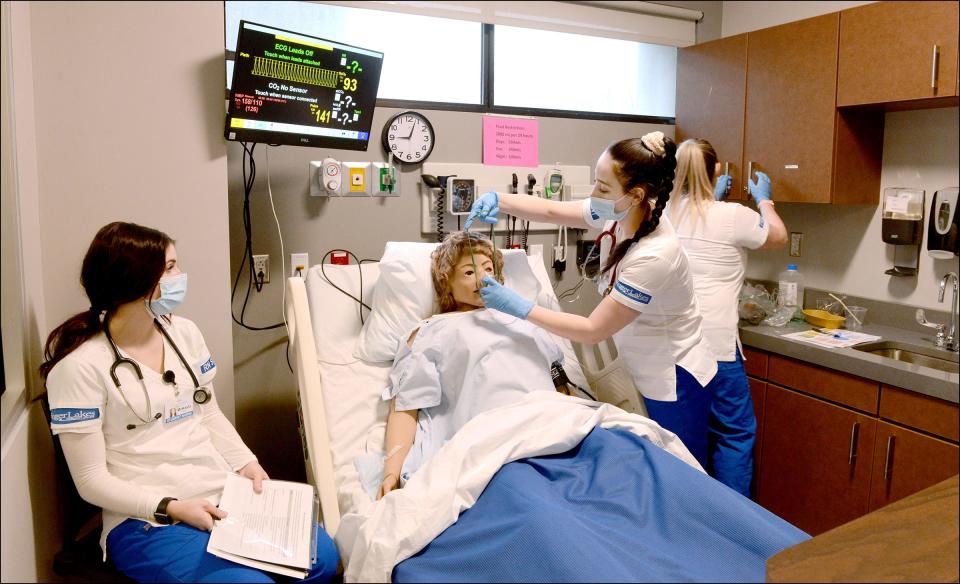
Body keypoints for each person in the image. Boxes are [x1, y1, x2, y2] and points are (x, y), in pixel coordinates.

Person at [40, 222, 339, 583]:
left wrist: (247, 463)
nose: (180, 276)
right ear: (136, 281)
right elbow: (90, 481)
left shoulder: (184, 334)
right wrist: (172, 508)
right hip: (146, 521)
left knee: (321, 558)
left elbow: (208, 412)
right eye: (170, 268)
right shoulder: (79, 369)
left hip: (219, 494)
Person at [465, 131, 737, 490]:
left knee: (679, 477)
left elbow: (594, 329)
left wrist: (517, 306)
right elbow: (550, 210)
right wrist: (499, 199)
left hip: (673, 380)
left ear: (637, 195)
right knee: (647, 476)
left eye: (603, 187)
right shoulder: (620, 210)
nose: (593, 196)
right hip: (639, 365)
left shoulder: (657, 254)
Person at [379, 231, 567, 498]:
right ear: (446, 283)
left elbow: (558, 379)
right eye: (469, 273)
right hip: (493, 442)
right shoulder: (431, 331)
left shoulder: (524, 320)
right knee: (528, 497)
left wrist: (575, 418)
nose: (483, 278)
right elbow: (407, 404)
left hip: (553, 428)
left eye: (489, 269)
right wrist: (392, 471)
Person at [664, 138, 788, 495]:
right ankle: (732, 525)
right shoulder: (735, 216)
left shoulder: (666, 215)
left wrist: (713, 197)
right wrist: (764, 199)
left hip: (672, 349)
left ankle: (690, 521)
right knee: (733, 434)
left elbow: (701, 226)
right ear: (715, 170)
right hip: (716, 348)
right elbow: (778, 237)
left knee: (683, 439)